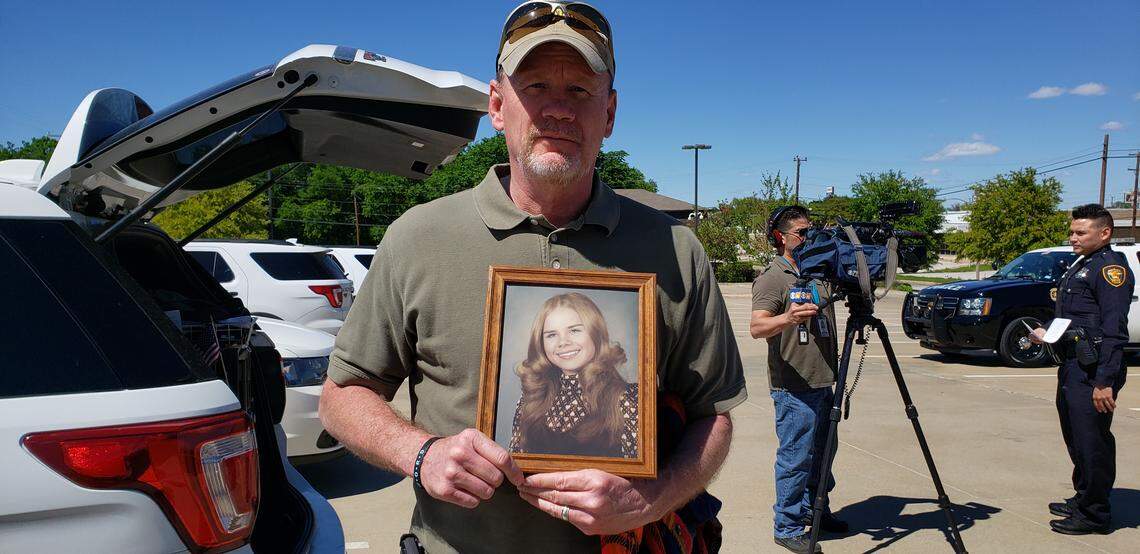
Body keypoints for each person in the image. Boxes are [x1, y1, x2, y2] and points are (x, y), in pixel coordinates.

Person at [318, 2, 747, 552]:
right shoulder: (419, 237)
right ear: (498, 105)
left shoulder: (676, 250)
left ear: (609, 114)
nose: (558, 111)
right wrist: (420, 454)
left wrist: (653, 497)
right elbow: (344, 393)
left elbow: (713, 417)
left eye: (580, 92)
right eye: (536, 86)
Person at [1030, 204, 1133, 535]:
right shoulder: (1083, 264)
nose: (1072, 237)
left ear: (1104, 233)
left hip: (1094, 371)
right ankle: (1084, 496)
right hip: (1073, 364)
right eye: (1072, 231)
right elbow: (1074, 314)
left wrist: (1105, 381)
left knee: (1093, 441)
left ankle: (1095, 514)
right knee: (1076, 436)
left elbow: (1115, 328)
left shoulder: (1109, 269)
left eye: (1080, 232)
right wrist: (1048, 332)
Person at [750, 206, 847, 554]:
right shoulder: (773, 277)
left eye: (811, 232)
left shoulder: (818, 273)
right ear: (781, 238)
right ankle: (787, 525)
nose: (809, 239)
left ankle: (815, 511)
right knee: (796, 458)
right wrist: (788, 318)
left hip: (823, 382)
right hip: (793, 387)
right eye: (801, 234)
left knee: (823, 455)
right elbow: (757, 326)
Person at [509, 292, 639, 458]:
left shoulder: (627, 398)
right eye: (551, 335)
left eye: (574, 330)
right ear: (540, 343)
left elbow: (641, 479)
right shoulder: (529, 402)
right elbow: (515, 467)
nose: (563, 342)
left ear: (596, 334)